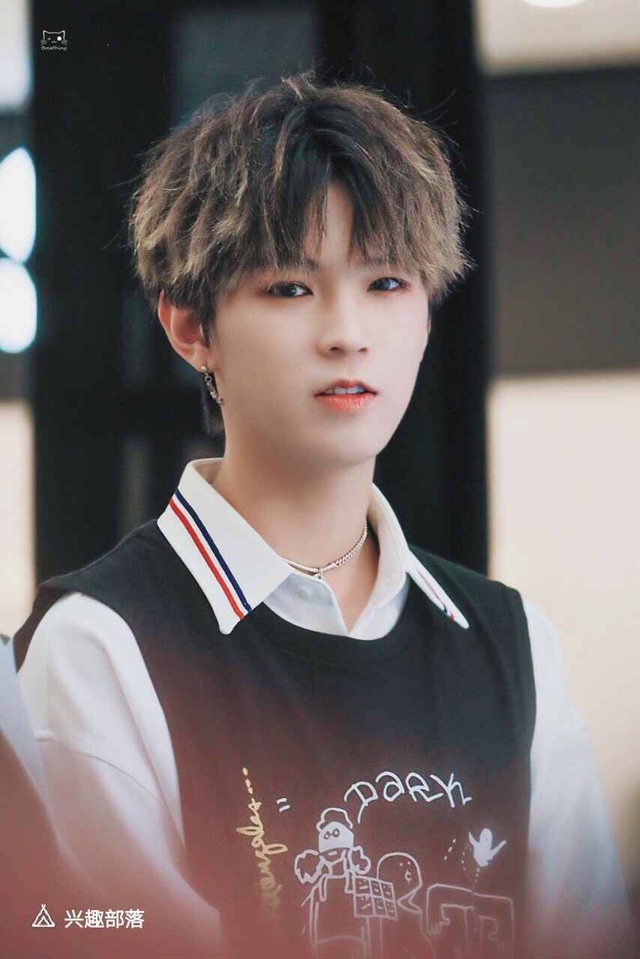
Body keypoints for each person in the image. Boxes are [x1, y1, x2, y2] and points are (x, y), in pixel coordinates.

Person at [14, 72, 633, 959]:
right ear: (191, 327)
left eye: (386, 282)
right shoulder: (102, 644)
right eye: (291, 289)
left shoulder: (508, 640)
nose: (348, 331)